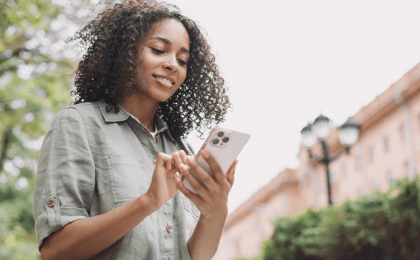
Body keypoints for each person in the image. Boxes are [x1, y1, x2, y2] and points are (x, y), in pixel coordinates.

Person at [33, 0, 237, 259]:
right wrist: (148, 201)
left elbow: (195, 256)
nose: (172, 64)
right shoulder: (79, 124)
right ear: (126, 52)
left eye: (182, 60)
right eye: (159, 50)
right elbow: (55, 250)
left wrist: (216, 210)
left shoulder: (181, 150)